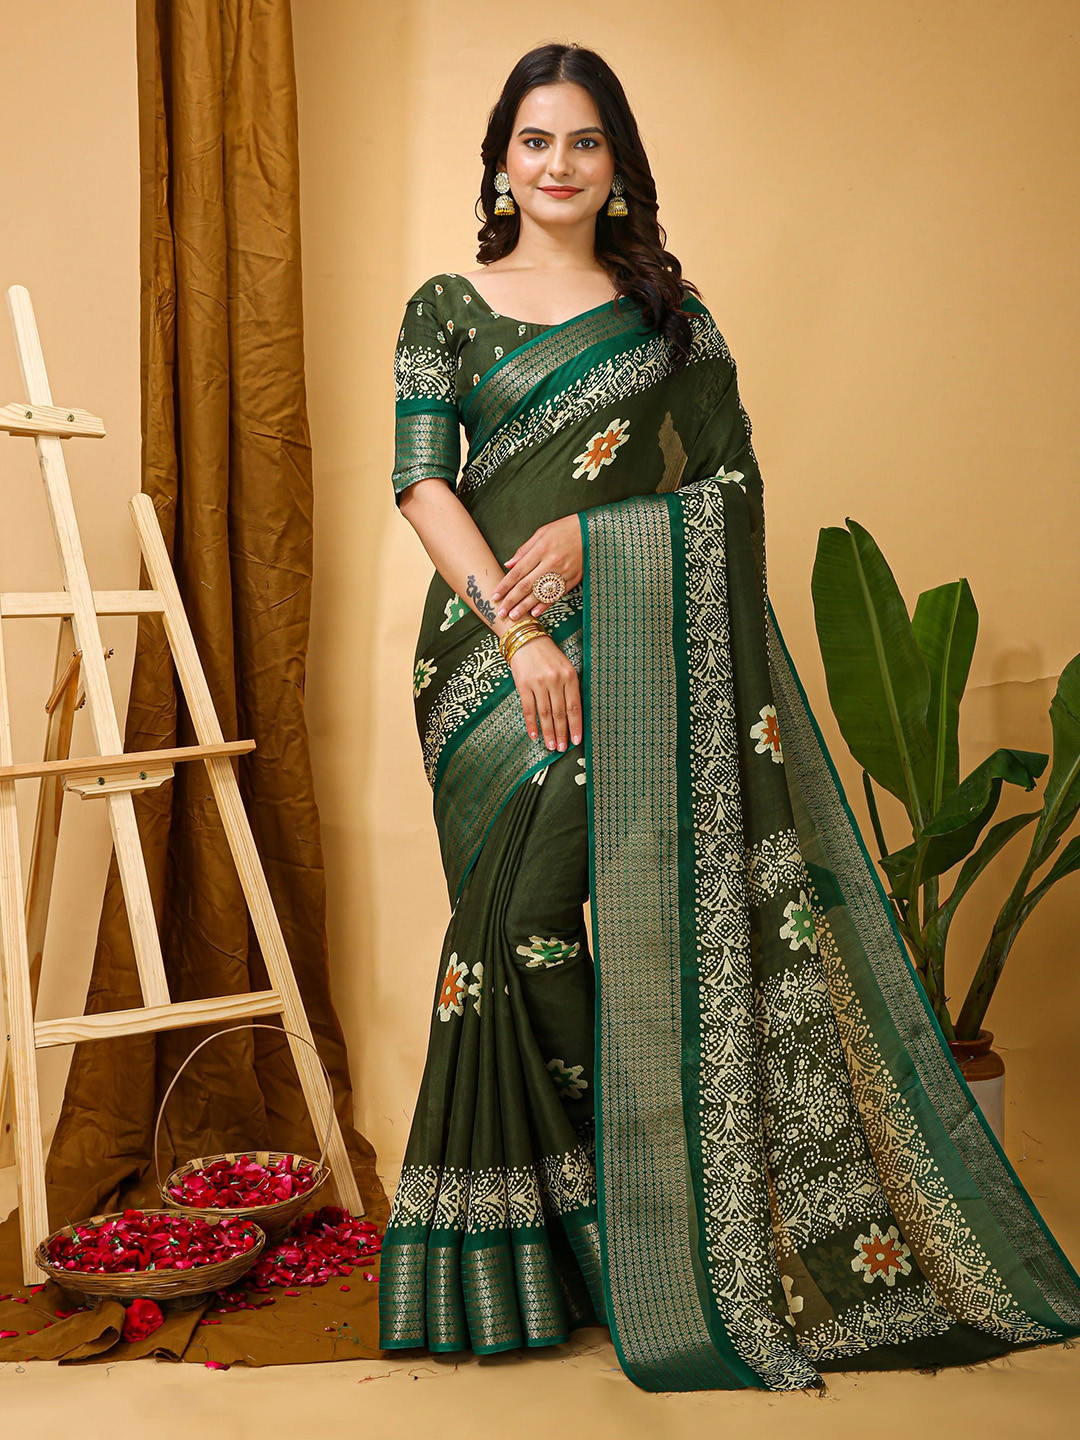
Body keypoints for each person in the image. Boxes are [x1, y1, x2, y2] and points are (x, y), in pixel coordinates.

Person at [376, 41, 1080, 1393]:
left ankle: (632, 1231)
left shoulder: (668, 318)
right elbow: (421, 483)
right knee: (508, 935)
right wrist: (519, 630)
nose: (560, 165)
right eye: (535, 141)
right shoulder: (448, 306)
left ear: (618, 165)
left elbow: (734, 488)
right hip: (480, 666)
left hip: (633, 656)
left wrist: (597, 543)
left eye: (586, 142)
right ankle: (581, 1238)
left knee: (537, 930)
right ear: (501, 161)